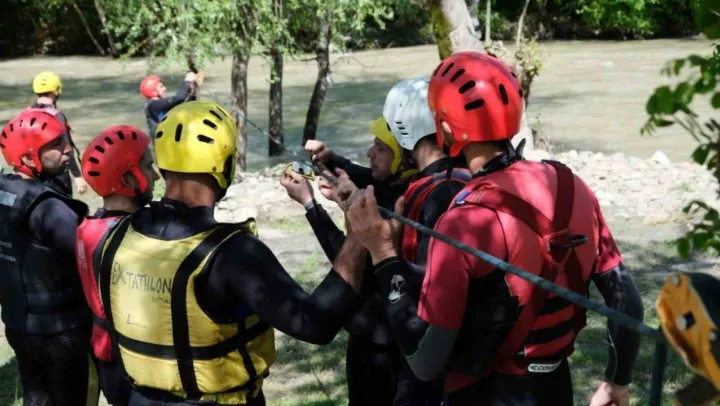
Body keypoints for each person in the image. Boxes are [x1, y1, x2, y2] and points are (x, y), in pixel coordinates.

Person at [346, 52, 644, 406]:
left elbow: (424, 362)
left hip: (487, 394)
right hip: (555, 387)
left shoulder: (463, 222)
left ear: (445, 129)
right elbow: (627, 301)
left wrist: (382, 252)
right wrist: (616, 381)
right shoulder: (571, 186)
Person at [95, 100, 367, 406]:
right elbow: (315, 324)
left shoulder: (115, 238)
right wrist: (359, 234)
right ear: (224, 165)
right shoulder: (233, 253)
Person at [284, 118, 422, 406]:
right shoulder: (398, 188)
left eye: (380, 149)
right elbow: (361, 173)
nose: (371, 153)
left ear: (404, 158)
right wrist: (330, 159)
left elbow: (347, 262)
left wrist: (310, 205)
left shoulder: (393, 204)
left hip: (381, 342)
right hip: (372, 334)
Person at [0, 109, 98, 406]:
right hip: (60, 331)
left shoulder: (4, 191)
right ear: (29, 158)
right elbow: (92, 258)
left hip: (18, 324)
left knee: (37, 396)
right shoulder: (51, 210)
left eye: (65, 139)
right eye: (56, 144)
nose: (68, 148)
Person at [75, 125, 159, 405]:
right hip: (137, 367)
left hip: (108, 362)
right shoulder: (137, 238)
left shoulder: (86, 228)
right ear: (127, 179)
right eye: (148, 166)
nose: (156, 175)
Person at [27, 71, 88, 196]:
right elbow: (66, 148)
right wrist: (77, 176)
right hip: (57, 176)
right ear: (56, 90)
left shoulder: (26, 113)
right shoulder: (56, 116)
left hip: (33, 175)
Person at [140, 72, 199, 138]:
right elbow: (179, 98)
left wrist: (192, 95)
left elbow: (184, 107)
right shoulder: (153, 105)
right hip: (163, 143)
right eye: (161, 87)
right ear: (154, 92)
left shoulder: (159, 105)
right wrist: (187, 81)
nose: (165, 88)